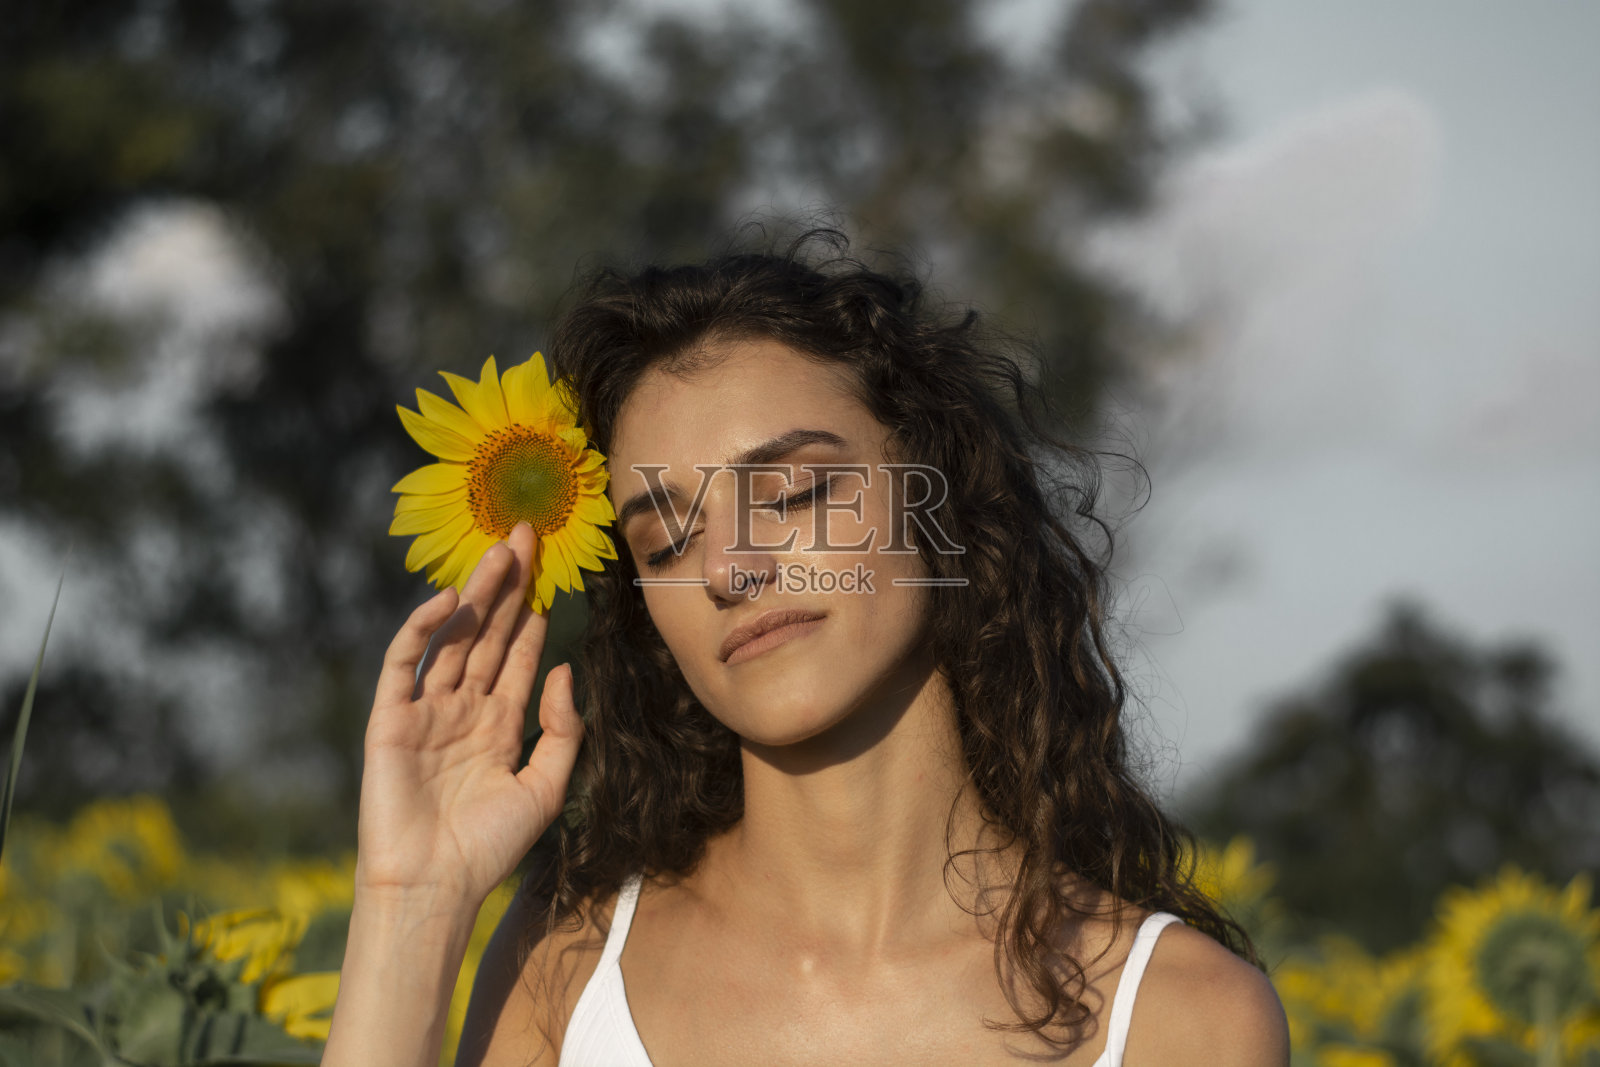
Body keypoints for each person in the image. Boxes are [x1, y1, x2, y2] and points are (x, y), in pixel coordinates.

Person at [323, 233, 1291, 1066]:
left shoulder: (1181, 1019)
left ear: (936, 496)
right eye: (667, 541)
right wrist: (412, 900)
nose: (728, 569)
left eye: (790, 495)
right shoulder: (565, 971)